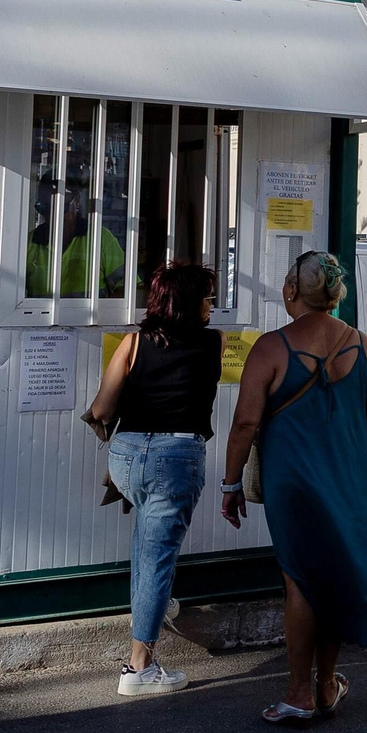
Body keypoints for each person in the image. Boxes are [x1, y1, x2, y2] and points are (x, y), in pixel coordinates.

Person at [221, 251, 367, 725]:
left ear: (293, 292)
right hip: (349, 482)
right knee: (336, 576)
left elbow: (244, 424)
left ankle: (299, 691)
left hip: (292, 484)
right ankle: (325, 684)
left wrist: (230, 483)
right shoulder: (363, 346)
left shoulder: (271, 348)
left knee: (300, 580)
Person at [87, 262, 225, 696]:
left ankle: (153, 606)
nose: (212, 305)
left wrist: (99, 421)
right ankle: (138, 667)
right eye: (206, 297)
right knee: (157, 560)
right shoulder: (213, 343)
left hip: (127, 457)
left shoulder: (133, 343)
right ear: (187, 302)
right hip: (176, 457)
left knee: (147, 551)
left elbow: (103, 409)